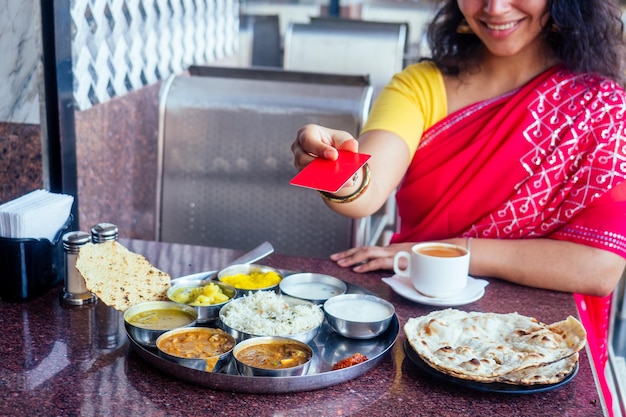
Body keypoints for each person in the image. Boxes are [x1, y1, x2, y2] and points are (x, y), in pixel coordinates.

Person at [291, 0, 626, 413]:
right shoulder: (420, 85)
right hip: (417, 338)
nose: (494, 7)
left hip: (538, 360)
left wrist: (443, 252)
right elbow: (366, 192)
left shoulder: (601, 107)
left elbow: (598, 268)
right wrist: (333, 167)